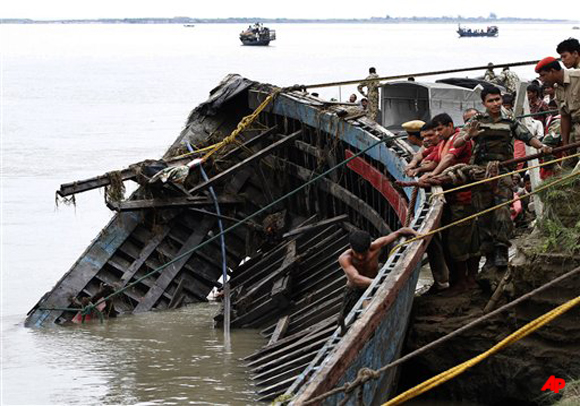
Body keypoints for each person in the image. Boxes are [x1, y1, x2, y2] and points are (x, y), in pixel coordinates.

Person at [453, 86, 551, 270]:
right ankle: (488, 253)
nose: (495, 103)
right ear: (484, 103)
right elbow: (457, 143)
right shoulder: (477, 120)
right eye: (491, 101)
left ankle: (501, 250)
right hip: (480, 172)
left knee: (502, 211)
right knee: (483, 213)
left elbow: (527, 136)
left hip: (503, 170)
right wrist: (468, 135)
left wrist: (542, 147)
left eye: (497, 99)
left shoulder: (509, 120)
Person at [419, 113, 480, 293]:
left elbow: (448, 160)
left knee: (460, 242)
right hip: (453, 199)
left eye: (440, 129)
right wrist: (418, 168)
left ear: (450, 125)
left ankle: (465, 281)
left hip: (464, 197)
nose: (437, 134)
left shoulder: (459, 139)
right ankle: (461, 280)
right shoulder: (444, 142)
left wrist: (435, 175)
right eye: (435, 130)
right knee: (457, 241)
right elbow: (433, 159)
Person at [338, 228, 418, 332]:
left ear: (369, 246)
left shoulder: (375, 246)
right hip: (355, 289)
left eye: (363, 253)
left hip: (374, 285)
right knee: (343, 318)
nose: (360, 257)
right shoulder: (345, 258)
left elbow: (399, 232)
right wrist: (377, 282)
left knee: (368, 315)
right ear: (350, 247)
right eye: (357, 253)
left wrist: (416, 233)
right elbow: (355, 278)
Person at [535, 56, 580, 166]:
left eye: (543, 75)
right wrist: (565, 144)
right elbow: (564, 116)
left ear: (552, 71)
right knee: (567, 167)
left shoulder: (578, 77)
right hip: (574, 133)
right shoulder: (557, 88)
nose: (542, 79)